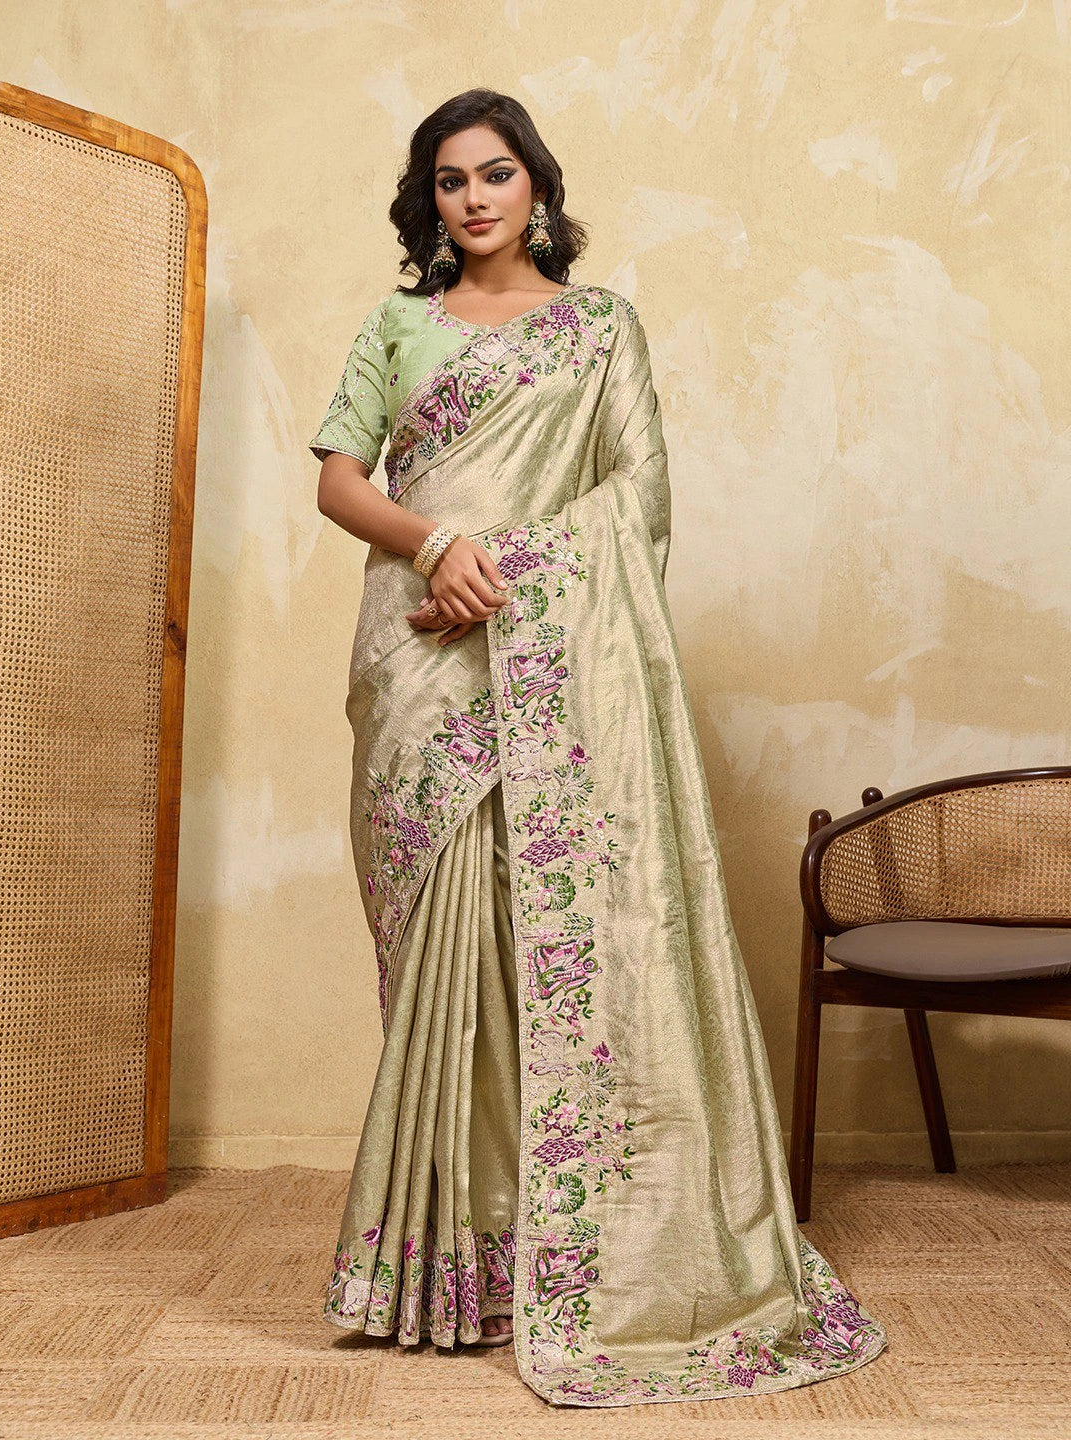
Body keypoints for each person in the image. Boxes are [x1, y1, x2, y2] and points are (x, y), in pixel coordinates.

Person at [309, 87, 889, 1410]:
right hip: (418, 662)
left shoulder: (601, 330)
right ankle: (451, 1261)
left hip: (552, 660)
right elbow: (343, 481)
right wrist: (439, 545)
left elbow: (639, 496)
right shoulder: (397, 326)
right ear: (429, 201)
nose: (472, 199)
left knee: (545, 937)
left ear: (537, 186)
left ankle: (574, 1253)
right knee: (444, 955)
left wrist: (504, 561)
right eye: (448, 180)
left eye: (493, 174)